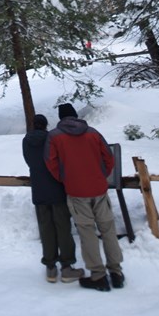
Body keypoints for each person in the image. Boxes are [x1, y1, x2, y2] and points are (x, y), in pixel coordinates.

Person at [45, 103, 125, 292]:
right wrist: (100, 175)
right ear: (75, 115)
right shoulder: (93, 133)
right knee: (108, 229)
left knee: (87, 232)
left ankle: (98, 275)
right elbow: (109, 158)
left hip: (76, 191)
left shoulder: (54, 137)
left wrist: (66, 179)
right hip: (99, 188)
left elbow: (51, 163)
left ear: (60, 118)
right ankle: (116, 272)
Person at [22, 113, 84, 284]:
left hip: (38, 189)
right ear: (46, 125)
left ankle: (50, 267)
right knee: (63, 227)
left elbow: (29, 161)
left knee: (46, 229)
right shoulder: (52, 138)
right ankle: (66, 267)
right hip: (56, 188)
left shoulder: (26, 141)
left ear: (33, 124)